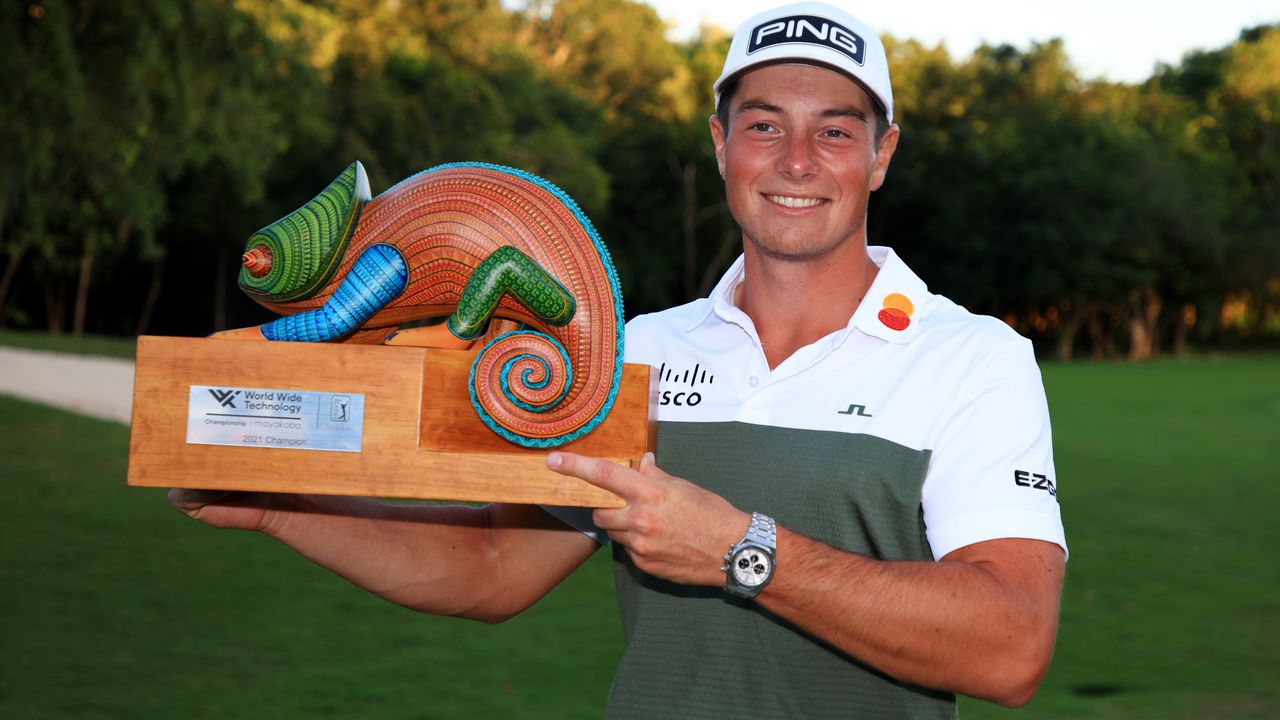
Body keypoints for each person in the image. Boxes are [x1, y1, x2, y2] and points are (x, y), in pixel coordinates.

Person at [171, 2, 1066, 717]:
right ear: (721, 146)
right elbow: (490, 569)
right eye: (763, 126)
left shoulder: (974, 359)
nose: (797, 160)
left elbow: (1011, 645)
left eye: (835, 131)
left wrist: (740, 551)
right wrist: (275, 507)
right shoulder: (639, 349)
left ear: (882, 155)